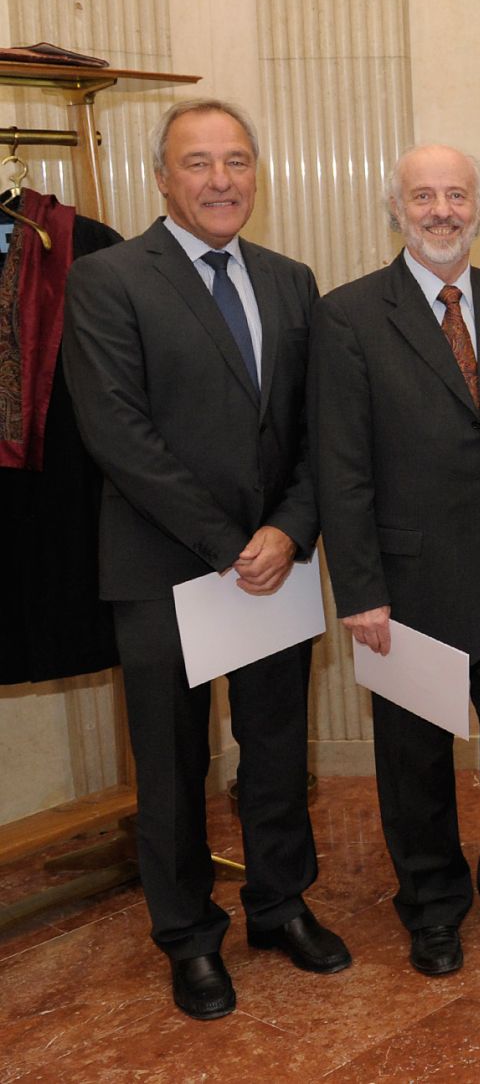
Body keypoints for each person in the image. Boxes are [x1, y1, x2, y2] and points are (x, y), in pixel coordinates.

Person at [62, 98, 348, 1019]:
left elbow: (318, 431)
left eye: (236, 162)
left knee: (274, 749)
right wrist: (231, 546)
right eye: (199, 163)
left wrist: (290, 530)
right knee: (175, 763)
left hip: (275, 561)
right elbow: (118, 435)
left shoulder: (291, 281)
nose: (221, 180)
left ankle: (278, 904)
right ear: (162, 177)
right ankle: (187, 937)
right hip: (166, 567)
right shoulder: (108, 279)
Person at [310, 145, 480, 977]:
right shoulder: (349, 315)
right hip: (411, 586)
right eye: (423, 197)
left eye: (456, 196)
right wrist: (359, 589)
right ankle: (432, 905)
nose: (441, 211)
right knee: (415, 761)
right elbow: (341, 466)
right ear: (397, 209)